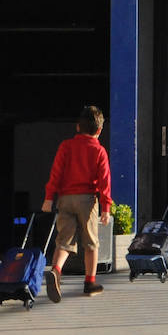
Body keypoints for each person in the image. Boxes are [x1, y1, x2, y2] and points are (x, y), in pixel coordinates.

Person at [40, 106, 111, 301]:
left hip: (65, 199)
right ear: (99, 130)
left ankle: (55, 270)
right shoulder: (99, 151)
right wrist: (105, 208)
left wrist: (49, 197)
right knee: (91, 242)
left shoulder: (66, 146)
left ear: (78, 127)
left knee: (64, 240)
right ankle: (90, 282)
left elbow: (56, 173)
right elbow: (104, 182)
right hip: (87, 200)